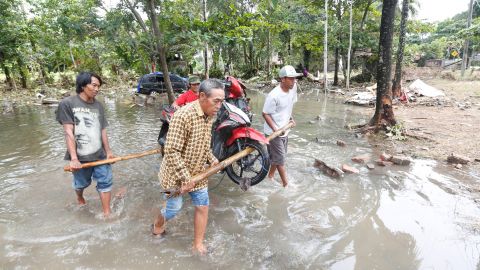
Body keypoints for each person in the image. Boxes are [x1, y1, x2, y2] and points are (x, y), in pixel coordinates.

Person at [152, 79, 225, 254]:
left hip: (198, 173)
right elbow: (171, 151)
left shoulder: (210, 116)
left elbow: (204, 144)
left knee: (202, 205)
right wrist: (186, 178)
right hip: (175, 175)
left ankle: (197, 244)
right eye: (217, 101)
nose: (219, 106)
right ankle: (157, 223)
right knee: (173, 209)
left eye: (222, 101)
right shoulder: (183, 116)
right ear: (201, 96)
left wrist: (212, 159)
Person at [56, 72, 115, 216]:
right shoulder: (67, 103)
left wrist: (108, 152)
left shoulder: (98, 106)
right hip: (80, 156)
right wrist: (74, 159)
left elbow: (102, 130)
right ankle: (80, 196)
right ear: (83, 85)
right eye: (94, 85)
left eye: (98, 86)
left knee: (105, 182)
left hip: (99, 154)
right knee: (81, 183)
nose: (97, 89)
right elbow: (68, 132)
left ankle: (107, 214)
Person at [262, 65, 300, 188]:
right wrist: (275, 129)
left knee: (277, 157)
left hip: (285, 130)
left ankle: (270, 176)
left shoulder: (293, 89)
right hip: (273, 133)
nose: (294, 81)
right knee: (281, 159)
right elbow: (265, 113)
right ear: (283, 79)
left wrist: (290, 118)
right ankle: (286, 185)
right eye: (291, 79)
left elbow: (288, 106)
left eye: (294, 78)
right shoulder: (274, 95)